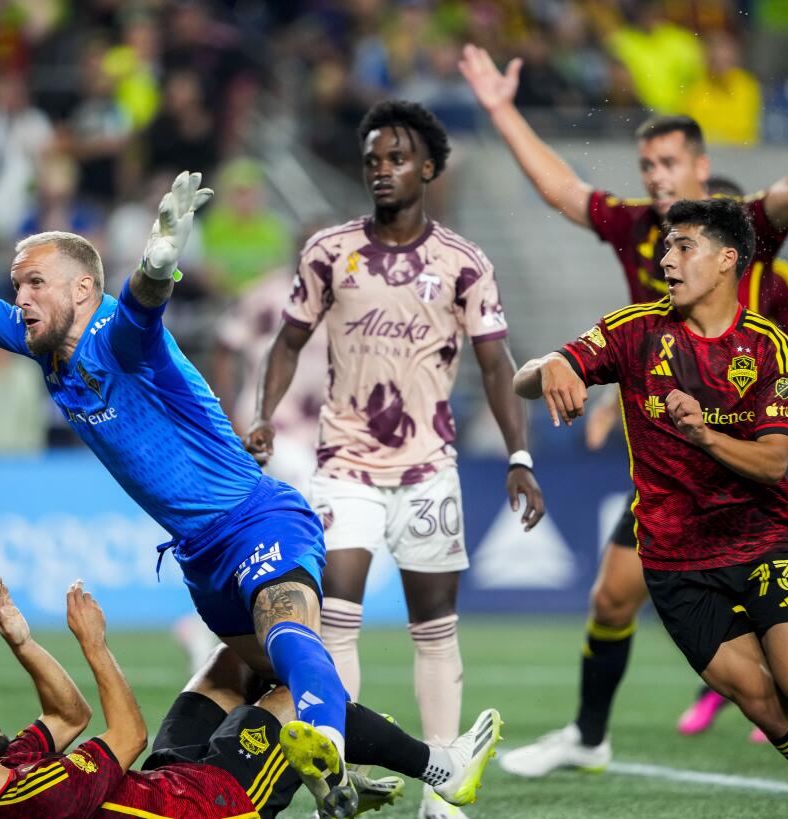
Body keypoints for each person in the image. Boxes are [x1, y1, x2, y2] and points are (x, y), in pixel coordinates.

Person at [0, 139, 358, 817]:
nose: (18, 297)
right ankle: (413, 758)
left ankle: (330, 751)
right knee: (257, 673)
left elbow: (143, 314)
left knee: (289, 642)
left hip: (256, 517)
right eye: (17, 284)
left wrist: (156, 265)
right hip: (198, 553)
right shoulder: (42, 342)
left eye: (34, 283)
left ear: (83, 289)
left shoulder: (115, 335)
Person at [458, 42, 788, 777]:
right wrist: (500, 110)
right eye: (647, 168)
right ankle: (591, 733)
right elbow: (564, 190)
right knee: (613, 594)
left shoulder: (740, 229)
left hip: (744, 450)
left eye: (667, 166)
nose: (655, 180)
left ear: (699, 166)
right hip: (669, 457)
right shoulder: (642, 236)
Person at [513, 197, 788, 813]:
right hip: (674, 561)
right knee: (768, 706)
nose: (667, 259)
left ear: (725, 261)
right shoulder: (633, 330)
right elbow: (528, 379)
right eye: (666, 247)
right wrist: (549, 365)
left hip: (763, 538)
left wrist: (705, 435)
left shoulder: (769, 346)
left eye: (683, 246)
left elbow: (773, 462)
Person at [245, 100, 544, 819]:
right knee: (335, 616)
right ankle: (340, 772)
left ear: (430, 169)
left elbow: (497, 366)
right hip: (344, 464)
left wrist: (519, 454)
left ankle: (440, 789)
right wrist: (262, 413)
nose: (382, 170)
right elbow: (288, 341)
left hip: (427, 468)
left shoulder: (464, 264)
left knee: (434, 626)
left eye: (398, 158)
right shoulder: (328, 251)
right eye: (374, 159)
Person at [0, 579, 503, 818]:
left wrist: (22, 642)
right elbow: (124, 735)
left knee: (227, 664)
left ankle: (332, 776)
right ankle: (441, 770)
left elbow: (65, 716)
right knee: (296, 688)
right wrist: (95, 646)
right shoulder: (33, 801)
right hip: (209, 807)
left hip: (161, 784)